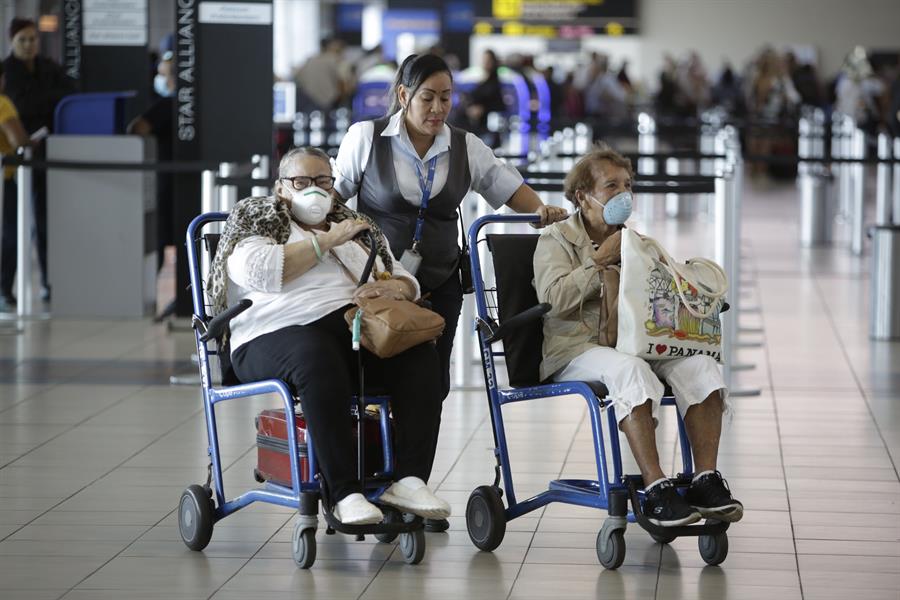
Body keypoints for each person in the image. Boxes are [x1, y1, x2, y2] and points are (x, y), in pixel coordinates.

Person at [334, 54, 568, 531]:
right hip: (377, 285)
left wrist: (541, 211)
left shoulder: (464, 146)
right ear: (404, 95)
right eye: (428, 97)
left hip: (439, 282)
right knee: (374, 378)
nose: (438, 108)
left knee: (431, 384)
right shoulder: (366, 138)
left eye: (446, 98)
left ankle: (412, 485)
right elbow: (333, 199)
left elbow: (506, 186)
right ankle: (372, 479)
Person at [210, 147, 449, 526]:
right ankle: (344, 493)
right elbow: (259, 271)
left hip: (353, 329)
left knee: (417, 354)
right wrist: (326, 241)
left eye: (323, 181)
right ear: (281, 188)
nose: (314, 190)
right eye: (301, 182)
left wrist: (396, 288)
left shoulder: (356, 229)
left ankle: (409, 480)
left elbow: (403, 276)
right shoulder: (260, 221)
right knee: (316, 354)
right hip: (272, 332)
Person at [533, 147, 743, 527]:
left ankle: (705, 480)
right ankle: (656, 487)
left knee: (701, 365)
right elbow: (552, 300)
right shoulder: (556, 240)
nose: (624, 194)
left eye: (628, 185)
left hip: (636, 341)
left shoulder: (636, 242)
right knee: (631, 371)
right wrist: (598, 262)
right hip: (575, 348)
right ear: (583, 196)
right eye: (611, 186)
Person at [2, 17, 76, 303]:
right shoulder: (7, 71)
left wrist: (41, 100)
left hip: (48, 153)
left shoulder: (48, 67)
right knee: (12, 226)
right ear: (12, 41)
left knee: (46, 221)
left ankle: (49, 282)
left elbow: (71, 92)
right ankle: (4, 286)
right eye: (22, 40)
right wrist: (49, 101)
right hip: (15, 162)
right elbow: (21, 106)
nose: (29, 45)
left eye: (33, 39)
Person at [128, 50, 175, 275]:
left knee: (158, 237)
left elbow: (137, 128)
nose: (160, 79)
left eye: (163, 74)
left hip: (164, 180)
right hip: (176, 180)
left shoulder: (166, 104)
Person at [0, 60, 30, 311]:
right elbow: (18, 139)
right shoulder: (3, 104)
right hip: (4, 181)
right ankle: (3, 289)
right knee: (11, 233)